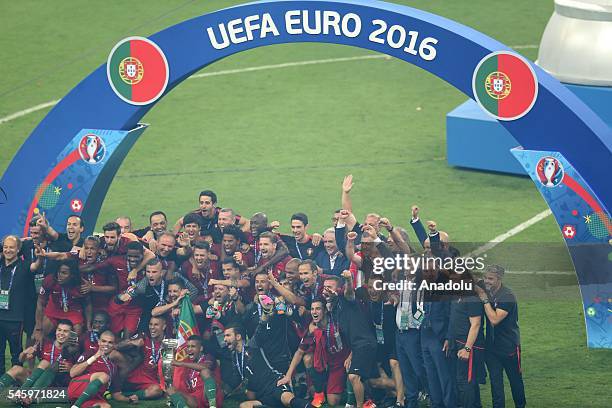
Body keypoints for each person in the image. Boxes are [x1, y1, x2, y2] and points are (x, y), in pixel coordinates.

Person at [280, 298, 349, 407]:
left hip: (343, 362)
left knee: (335, 399)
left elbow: (352, 340)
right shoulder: (312, 330)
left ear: (325, 311)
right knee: (330, 400)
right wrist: (288, 375)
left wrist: (350, 356)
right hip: (327, 366)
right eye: (312, 309)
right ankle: (321, 391)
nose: (314, 312)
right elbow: (299, 352)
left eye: (318, 309)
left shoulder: (337, 322)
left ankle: (348, 390)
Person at [223, 324, 312, 408]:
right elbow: (236, 379)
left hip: (275, 384)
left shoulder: (252, 345)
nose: (224, 339)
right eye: (224, 336)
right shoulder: (235, 357)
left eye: (228, 335)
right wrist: (223, 392)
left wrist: (265, 312)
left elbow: (260, 329)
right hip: (263, 395)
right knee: (244, 406)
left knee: (287, 400)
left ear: (238, 337)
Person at [324, 273, 379, 408]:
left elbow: (349, 292)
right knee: (373, 381)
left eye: (330, 287)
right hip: (357, 346)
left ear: (338, 289)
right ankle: (370, 401)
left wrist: (348, 279)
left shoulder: (345, 299)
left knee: (354, 377)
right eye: (324, 287)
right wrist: (351, 354)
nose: (326, 290)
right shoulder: (334, 307)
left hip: (365, 343)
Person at [474, 265, 526, 408]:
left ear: (500, 279)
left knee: (515, 382)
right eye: (485, 278)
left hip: (509, 347)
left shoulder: (507, 296)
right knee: (496, 385)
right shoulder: (487, 289)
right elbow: (470, 278)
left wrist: (484, 300)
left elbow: (495, 319)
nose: (487, 281)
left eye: (490, 279)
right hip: (491, 349)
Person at [0, 319, 79, 392]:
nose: (61, 333)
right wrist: (24, 353)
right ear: (55, 331)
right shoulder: (45, 343)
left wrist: (71, 369)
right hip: (38, 381)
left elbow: (82, 370)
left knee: (45, 362)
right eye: (59, 330)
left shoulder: (75, 349)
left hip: (59, 384)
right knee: (16, 369)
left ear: (71, 334)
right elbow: (21, 360)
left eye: (65, 331)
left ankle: (24, 392)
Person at [448, 271, 485, 408]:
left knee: (465, 381)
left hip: (469, 346)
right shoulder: (457, 296)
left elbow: (475, 325)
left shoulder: (472, 299)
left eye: (455, 279)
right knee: (468, 381)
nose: (452, 282)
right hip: (459, 343)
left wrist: (467, 348)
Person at [113, 315, 167, 402]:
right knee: (113, 354)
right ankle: (115, 391)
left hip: (152, 381)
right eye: (150, 324)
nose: (152, 327)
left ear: (164, 326)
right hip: (136, 374)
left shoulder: (169, 342)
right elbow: (117, 347)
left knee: (156, 391)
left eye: (156, 325)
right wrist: (132, 342)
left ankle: (129, 395)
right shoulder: (144, 336)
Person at [34, 259, 91, 339]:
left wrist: (88, 325)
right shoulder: (50, 280)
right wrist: (38, 327)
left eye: (64, 273)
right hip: (55, 308)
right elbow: (40, 302)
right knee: (46, 327)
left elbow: (87, 305)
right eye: (59, 272)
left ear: (72, 275)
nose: (59, 275)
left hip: (73, 311)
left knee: (77, 331)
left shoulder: (80, 284)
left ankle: (70, 349)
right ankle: (47, 349)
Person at [0, 235, 31, 374]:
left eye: (11, 247)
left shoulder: (25, 267)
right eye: (5, 247)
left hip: (15, 318)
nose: (8, 250)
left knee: (16, 352)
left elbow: (37, 266)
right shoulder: (0, 264)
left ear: (18, 249)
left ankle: (16, 381)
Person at [167, 334, 224, 408]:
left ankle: (212, 406)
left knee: (205, 371)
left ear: (201, 348)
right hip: (196, 399)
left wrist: (181, 363)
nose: (189, 349)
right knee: (171, 390)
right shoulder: (189, 363)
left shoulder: (208, 357)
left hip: (209, 396)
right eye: (188, 347)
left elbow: (206, 367)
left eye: (193, 346)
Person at [68, 330, 120, 408]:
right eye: (103, 341)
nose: (106, 344)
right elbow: (72, 373)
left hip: (92, 396)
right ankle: (76, 406)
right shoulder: (90, 352)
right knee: (104, 376)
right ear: (98, 342)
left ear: (114, 345)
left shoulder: (113, 367)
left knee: (106, 406)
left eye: (110, 342)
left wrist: (129, 399)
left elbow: (116, 394)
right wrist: (94, 357)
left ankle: (82, 404)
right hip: (76, 387)